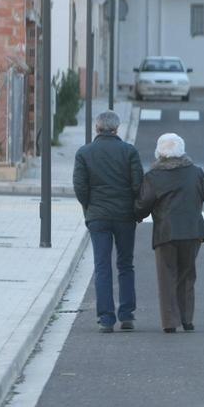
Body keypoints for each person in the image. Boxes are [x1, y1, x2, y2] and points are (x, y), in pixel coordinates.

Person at [73, 110, 143, 333]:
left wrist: (90, 206)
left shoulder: (84, 153)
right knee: (125, 263)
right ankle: (127, 314)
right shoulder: (129, 151)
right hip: (124, 216)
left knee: (102, 266)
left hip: (98, 216)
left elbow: (80, 187)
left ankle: (106, 318)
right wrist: (133, 208)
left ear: (96, 128)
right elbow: (138, 185)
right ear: (117, 128)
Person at [135, 133, 204, 333]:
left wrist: (136, 215)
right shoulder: (196, 172)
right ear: (182, 151)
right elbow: (203, 195)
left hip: (166, 232)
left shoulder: (153, 176)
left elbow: (144, 204)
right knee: (187, 274)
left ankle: (169, 321)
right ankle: (187, 319)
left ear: (159, 153)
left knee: (167, 275)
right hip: (193, 231)